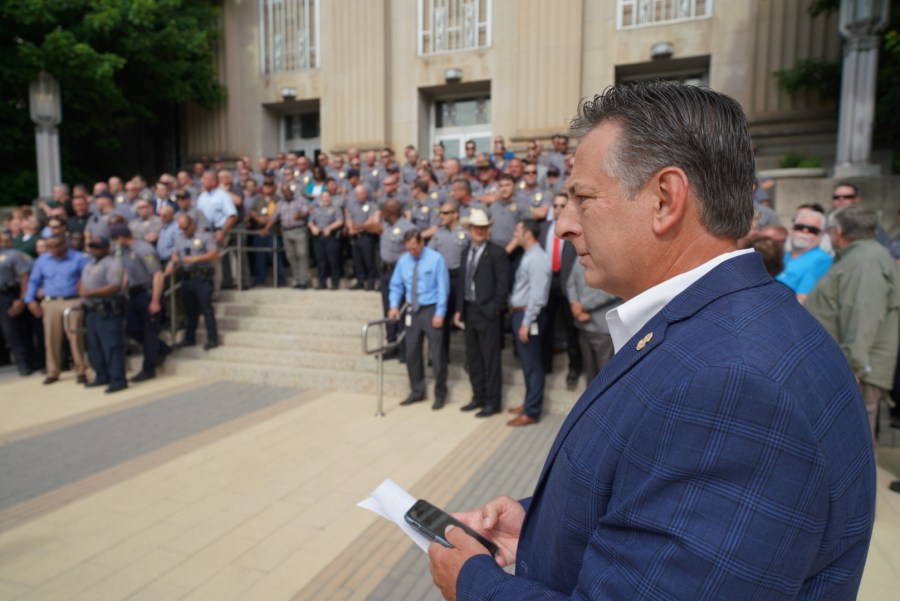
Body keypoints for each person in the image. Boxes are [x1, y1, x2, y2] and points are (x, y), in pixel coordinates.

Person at [427, 82, 874, 601]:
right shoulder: (726, 331)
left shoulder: (733, 387)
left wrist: (472, 584)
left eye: (583, 199)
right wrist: (540, 528)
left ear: (665, 199)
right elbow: (659, 512)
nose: (565, 226)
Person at [805, 204, 900, 448]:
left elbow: (862, 316)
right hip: (849, 367)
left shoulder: (865, 261)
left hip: (856, 372)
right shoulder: (860, 257)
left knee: (853, 447)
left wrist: (853, 366)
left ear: (837, 233)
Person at [454, 209, 509, 417]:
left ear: (487, 230)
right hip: (469, 311)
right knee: (474, 358)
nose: (479, 231)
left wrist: (494, 308)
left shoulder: (497, 252)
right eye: (476, 227)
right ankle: (478, 397)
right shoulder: (465, 252)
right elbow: (462, 283)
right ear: (469, 229)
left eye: (483, 228)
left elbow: (503, 284)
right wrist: (459, 310)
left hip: (487, 313)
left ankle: (492, 402)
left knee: (491, 360)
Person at [388, 230, 450, 409]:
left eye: (415, 248)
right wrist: (393, 305)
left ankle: (440, 394)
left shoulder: (436, 259)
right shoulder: (404, 260)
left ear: (422, 242)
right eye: (409, 249)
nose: (413, 252)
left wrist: (440, 313)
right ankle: (416, 391)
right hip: (412, 310)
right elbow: (396, 285)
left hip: (431, 309)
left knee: (437, 354)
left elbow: (443, 288)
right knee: (412, 352)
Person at [24, 234, 90, 385]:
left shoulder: (78, 258)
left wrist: (83, 299)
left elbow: (87, 278)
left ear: (64, 245)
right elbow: (34, 281)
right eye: (49, 246)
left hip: (72, 300)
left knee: (75, 337)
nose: (52, 250)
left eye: (56, 246)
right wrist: (30, 300)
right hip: (51, 302)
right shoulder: (43, 260)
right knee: (51, 338)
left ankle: (81, 370)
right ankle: (53, 371)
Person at [505, 220, 551, 426]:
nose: (515, 235)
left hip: (528, 316)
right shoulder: (529, 255)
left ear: (528, 234)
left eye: (518, 231)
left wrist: (527, 321)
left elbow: (538, 295)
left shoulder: (538, 259)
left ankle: (532, 411)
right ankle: (528, 402)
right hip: (520, 314)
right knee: (527, 363)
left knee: (533, 364)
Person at [111, 224, 171, 382]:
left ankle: (148, 369)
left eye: (116, 240)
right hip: (134, 293)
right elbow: (126, 273)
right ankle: (162, 348)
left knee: (149, 332)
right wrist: (121, 291)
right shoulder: (125, 251)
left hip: (148, 291)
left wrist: (155, 301)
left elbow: (157, 275)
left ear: (121, 237)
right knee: (131, 328)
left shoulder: (144, 249)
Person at [78, 236, 127, 393]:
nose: (94, 250)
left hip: (107, 309)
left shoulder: (113, 263)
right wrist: (82, 292)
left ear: (106, 248)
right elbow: (82, 284)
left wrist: (90, 293)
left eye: (97, 247)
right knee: (94, 346)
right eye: (92, 247)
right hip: (91, 310)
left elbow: (114, 286)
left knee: (112, 346)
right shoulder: (90, 263)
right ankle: (101, 376)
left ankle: (118, 379)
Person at [165, 215, 220, 350]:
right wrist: (173, 262)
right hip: (187, 277)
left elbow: (214, 254)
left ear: (192, 225)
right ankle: (190, 338)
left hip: (202, 277)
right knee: (190, 310)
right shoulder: (180, 239)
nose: (183, 231)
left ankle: (212, 338)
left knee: (206, 309)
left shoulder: (205, 236)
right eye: (181, 229)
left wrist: (196, 258)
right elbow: (175, 254)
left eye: (185, 228)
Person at [565, 258, 620, 382]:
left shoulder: (613, 255)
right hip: (583, 325)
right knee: (590, 372)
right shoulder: (580, 255)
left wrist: (582, 305)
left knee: (607, 374)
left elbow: (614, 288)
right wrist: (574, 304)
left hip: (604, 327)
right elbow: (570, 283)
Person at [775, 207, 832, 303]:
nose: (805, 231)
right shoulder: (782, 255)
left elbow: (802, 300)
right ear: (792, 230)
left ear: (821, 235)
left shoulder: (823, 260)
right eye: (800, 227)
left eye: (812, 230)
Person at [0, 235, 34, 375]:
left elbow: (24, 276)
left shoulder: (13, 255)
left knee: (13, 331)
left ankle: (24, 363)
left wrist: (22, 298)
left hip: (9, 294)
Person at [308, 191, 344, 290]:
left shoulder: (335, 209)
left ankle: (335, 283)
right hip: (318, 237)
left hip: (331, 237)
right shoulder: (316, 209)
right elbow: (310, 221)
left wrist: (330, 228)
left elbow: (340, 221)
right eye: (323, 197)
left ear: (330, 198)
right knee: (320, 261)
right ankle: (322, 283)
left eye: (327, 197)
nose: (326, 199)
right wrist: (313, 228)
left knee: (333, 261)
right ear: (320, 198)